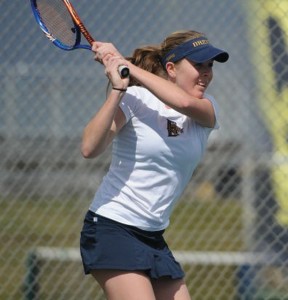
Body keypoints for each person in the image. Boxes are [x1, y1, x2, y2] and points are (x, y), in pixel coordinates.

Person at [80, 30, 229, 300]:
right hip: (112, 227)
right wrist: (117, 89)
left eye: (210, 65)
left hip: (153, 237)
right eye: (198, 65)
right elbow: (89, 148)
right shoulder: (136, 100)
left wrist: (129, 69)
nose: (207, 72)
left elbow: (182, 102)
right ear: (171, 68)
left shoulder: (206, 109)